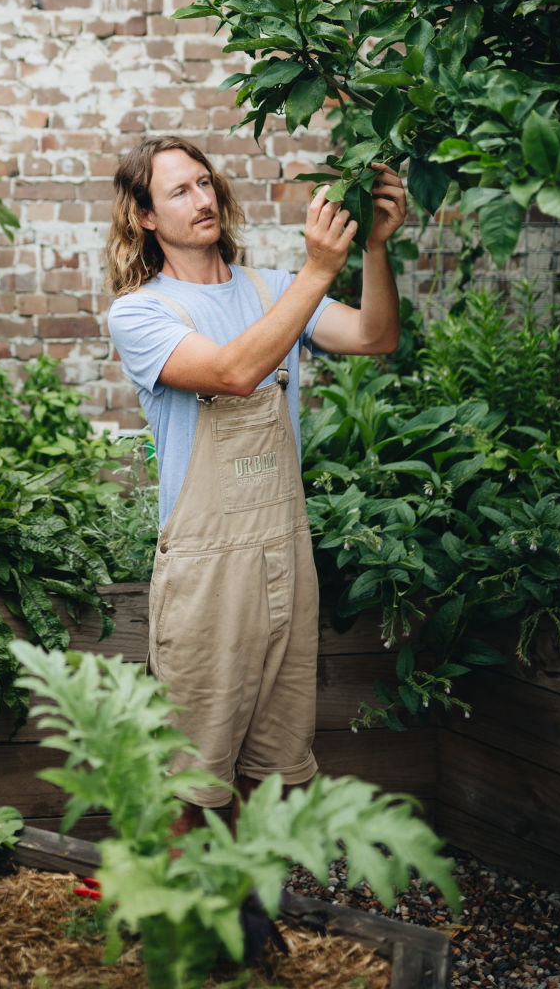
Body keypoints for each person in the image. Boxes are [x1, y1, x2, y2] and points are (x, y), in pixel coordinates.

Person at [105, 136, 406, 836]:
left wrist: (372, 251)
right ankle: (186, 930)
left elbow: (374, 336)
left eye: (205, 183)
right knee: (193, 779)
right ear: (145, 217)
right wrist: (316, 270)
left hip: (284, 552)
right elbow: (235, 372)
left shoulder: (271, 290)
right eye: (179, 191)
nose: (203, 199)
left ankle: (249, 918)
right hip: (207, 569)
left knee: (272, 772)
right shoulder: (142, 313)